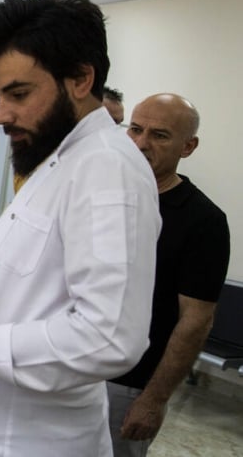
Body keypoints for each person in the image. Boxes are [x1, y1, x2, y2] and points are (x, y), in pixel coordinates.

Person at [0, 0, 160, 456]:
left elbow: (110, 337)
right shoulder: (59, 160)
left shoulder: (108, 169)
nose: (1, 114)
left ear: (82, 78)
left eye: (19, 94)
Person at [107, 93, 230, 456]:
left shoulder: (203, 221)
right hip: (68, 371)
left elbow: (195, 321)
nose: (141, 143)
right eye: (135, 129)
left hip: (126, 386)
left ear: (188, 146)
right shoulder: (107, 197)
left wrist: (153, 399)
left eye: (159, 135)